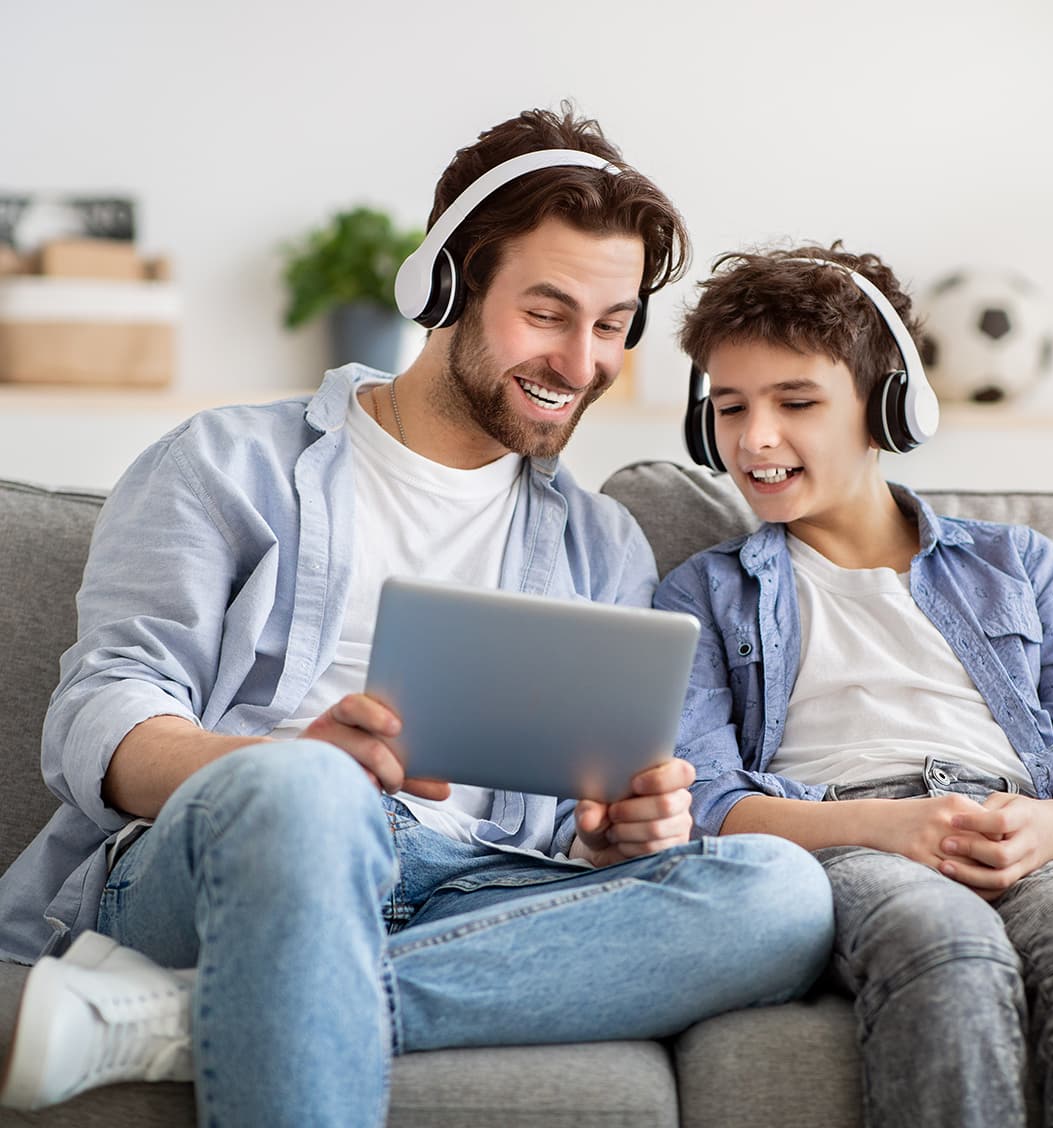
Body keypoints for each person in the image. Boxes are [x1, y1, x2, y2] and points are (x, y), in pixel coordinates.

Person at [0, 109, 835, 1124]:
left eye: (611, 325)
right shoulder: (224, 462)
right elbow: (102, 711)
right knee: (310, 792)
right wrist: (279, 767)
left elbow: (581, 826)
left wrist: (619, 836)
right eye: (547, 312)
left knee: (778, 894)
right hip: (236, 856)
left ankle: (201, 1012)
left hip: (477, 889)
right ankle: (263, 934)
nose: (581, 363)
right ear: (445, 284)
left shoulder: (601, 542)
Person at [653, 243, 1053, 1127]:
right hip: (846, 835)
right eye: (730, 408)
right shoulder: (705, 592)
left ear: (890, 409)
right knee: (943, 948)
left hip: (1020, 824)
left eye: (795, 402)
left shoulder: (1020, 566)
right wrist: (884, 824)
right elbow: (711, 805)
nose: (755, 437)